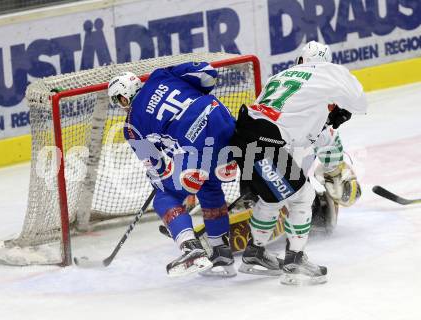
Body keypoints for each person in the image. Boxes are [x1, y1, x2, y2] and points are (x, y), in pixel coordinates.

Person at [231, 40, 367, 285]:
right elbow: (318, 138)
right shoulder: (321, 86)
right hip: (268, 144)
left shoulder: (279, 78)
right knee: (303, 197)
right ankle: (294, 260)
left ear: (301, 60)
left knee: (272, 198)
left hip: (244, 138)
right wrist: (335, 158)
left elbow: (280, 118)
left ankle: (255, 254)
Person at [107, 62, 237, 277]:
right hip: (226, 125)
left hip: (197, 147)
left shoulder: (132, 125)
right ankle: (221, 255)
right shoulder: (161, 75)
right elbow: (208, 73)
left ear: (123, 97)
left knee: (164, 197)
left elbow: (157, 167)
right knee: (209, 187)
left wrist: (173, 188)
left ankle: (191, 248)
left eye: (118, 100)